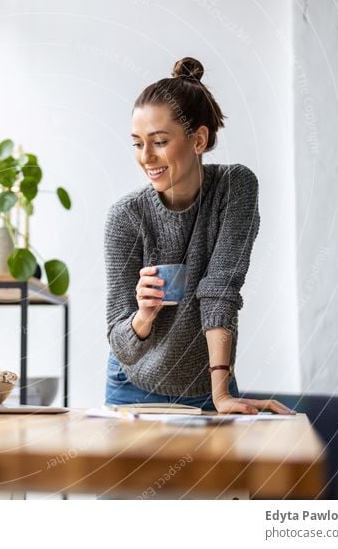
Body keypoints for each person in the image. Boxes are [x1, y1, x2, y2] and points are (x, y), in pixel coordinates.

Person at [104, 56, 294, 415]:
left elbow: (220, 288)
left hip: (209, 386)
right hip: (131, 387)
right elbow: (121, 345)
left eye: (159, 141)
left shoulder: (234, 188)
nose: (146, 157)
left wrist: (221, 394)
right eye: (137, 143)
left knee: (213, 473)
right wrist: (143, 316)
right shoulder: (125, 218)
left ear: (199, 139)